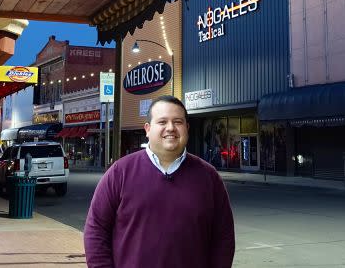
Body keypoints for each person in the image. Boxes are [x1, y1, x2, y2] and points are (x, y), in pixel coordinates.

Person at [84, 95, 234, 268]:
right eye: (162, 122)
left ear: (187, 127)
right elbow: (96, 230)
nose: (170, 128)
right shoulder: (119, 172)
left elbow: (224, 238)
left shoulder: (209, 177)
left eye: (177, 122)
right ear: (147, 129)